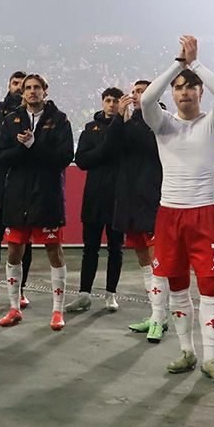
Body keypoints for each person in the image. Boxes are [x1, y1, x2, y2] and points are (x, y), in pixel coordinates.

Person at [137, 35, 214, 385]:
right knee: (177, 286)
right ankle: (187, 352)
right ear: (173, 93)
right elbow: (148, 98)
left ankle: (211, 358)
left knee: (209, 287)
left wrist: (196, 66)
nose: (184, 92)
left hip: (203, 215)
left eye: (191, 87)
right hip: (170, 215)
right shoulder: (164, 125)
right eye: (178, 88)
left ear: (199, 92)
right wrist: (178, 64)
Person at [0, 73, 74, 331]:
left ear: (45, 91)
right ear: (23, 92)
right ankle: (14, 308)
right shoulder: (11, 120)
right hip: (17, 198)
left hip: (47, 197)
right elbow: (2, 156)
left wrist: (34, 145)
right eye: (27, 88)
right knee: (14, 252)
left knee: (54, 252)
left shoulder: (59, 120)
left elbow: (64, 157)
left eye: (37, 87)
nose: (31, 91)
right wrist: (22, 148)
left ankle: (57, 311)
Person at [114, 81, 167, 341]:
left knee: (158, 263)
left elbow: (152, 146)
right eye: (135, 92)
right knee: (144, 262)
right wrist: (119, 122)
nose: (136, 96)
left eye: (142, 91)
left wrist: (127, 124)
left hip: (153, 199)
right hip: (130, 200)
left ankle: (160, 318)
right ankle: (157, 315)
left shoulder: (161, 117)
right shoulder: (129, 121)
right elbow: (112, 149)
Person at [0, 71, 33, 311]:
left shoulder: (33, 114)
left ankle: (20, 291)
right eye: (16, 83)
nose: (20, 88)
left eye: (24, 85)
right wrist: (11, 119)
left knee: (24, 243)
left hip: (23, 188)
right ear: (9, 86)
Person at [68, 88, 125, 314]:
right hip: (93, 197)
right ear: (102, 102)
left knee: (116, 249)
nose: (111, 104)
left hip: (118, 197)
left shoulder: (126, 128)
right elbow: (81, 160)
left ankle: (111, 295)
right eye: (108, 100)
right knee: (89, 249)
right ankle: (84, 295)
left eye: (115, 101)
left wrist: (100, 154)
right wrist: (102, 152)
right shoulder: (89, 130)